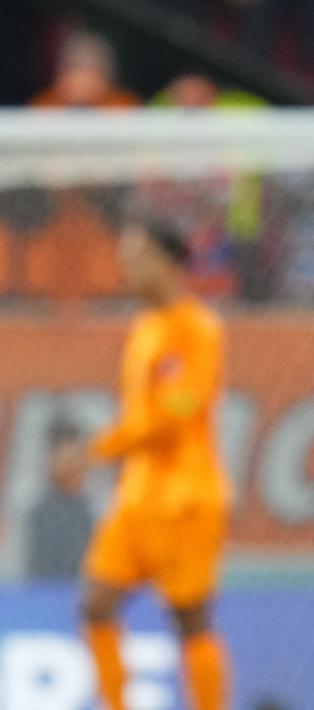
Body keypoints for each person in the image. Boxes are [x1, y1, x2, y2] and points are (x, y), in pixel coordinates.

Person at [75, 221, 230, 710]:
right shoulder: (144, 328)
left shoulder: (199, 329)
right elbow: (144, 414)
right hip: (137, 497)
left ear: (168, 263)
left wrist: (96, 451)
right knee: (96, 605)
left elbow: (177, 411)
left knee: (190, 620)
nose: (127, 268)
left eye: (137, 256)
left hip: (185, 498)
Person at [25, 419, 94, 580]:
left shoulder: (94, 512)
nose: (75, 465)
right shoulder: (33, 510)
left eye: (78, 456)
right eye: (67, 459)